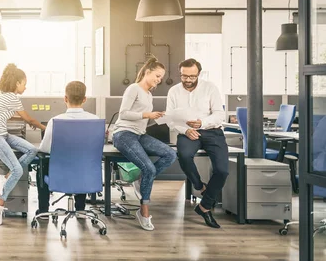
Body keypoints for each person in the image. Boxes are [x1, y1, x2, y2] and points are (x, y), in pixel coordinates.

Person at [112, 57, 177, 231]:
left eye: (161, 77)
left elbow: (142, 120)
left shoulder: (149, 94)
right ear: (147, 72)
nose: (159, 80)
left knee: (170, 154)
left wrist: (158, 117)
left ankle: (141, 180)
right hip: (124, 133)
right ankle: (144, 211)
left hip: (139, 134)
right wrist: (148, 115)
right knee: (149, 168)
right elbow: (124, 113)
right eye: (157, 75)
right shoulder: (134, 88)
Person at [167, 58, 227, 228]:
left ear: (198, 74)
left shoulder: (210, 88)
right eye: (184, 76)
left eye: (192, 76)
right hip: (187, 132)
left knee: (222, 171)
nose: (187, 80)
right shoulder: (174, 91)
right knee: (184, 155)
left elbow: (219, 114)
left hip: (212, 131)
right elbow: (170, 119)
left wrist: (202, 123)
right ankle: (200, 186)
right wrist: (184, 130)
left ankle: (204, 206)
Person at [0, 63, 46, 225]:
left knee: (32, 149)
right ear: (17, 83)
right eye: (24, 83)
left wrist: (28, 121)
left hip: (2, 134)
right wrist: (45, 127)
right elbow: (29, 118)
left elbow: (13, 116)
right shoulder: (11, 97)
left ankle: (6, 178)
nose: (25, 87)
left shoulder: (5, 96)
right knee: (18, 169)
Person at [37, 81, 98, 217]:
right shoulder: (95, 120)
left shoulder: (54, 121)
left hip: (59, 177)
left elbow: (45, 149)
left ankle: (43, 211)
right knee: (81, 163)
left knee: (42, 165)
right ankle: (81, 209)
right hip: (85, 176)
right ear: (84, 99)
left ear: (65, 99)